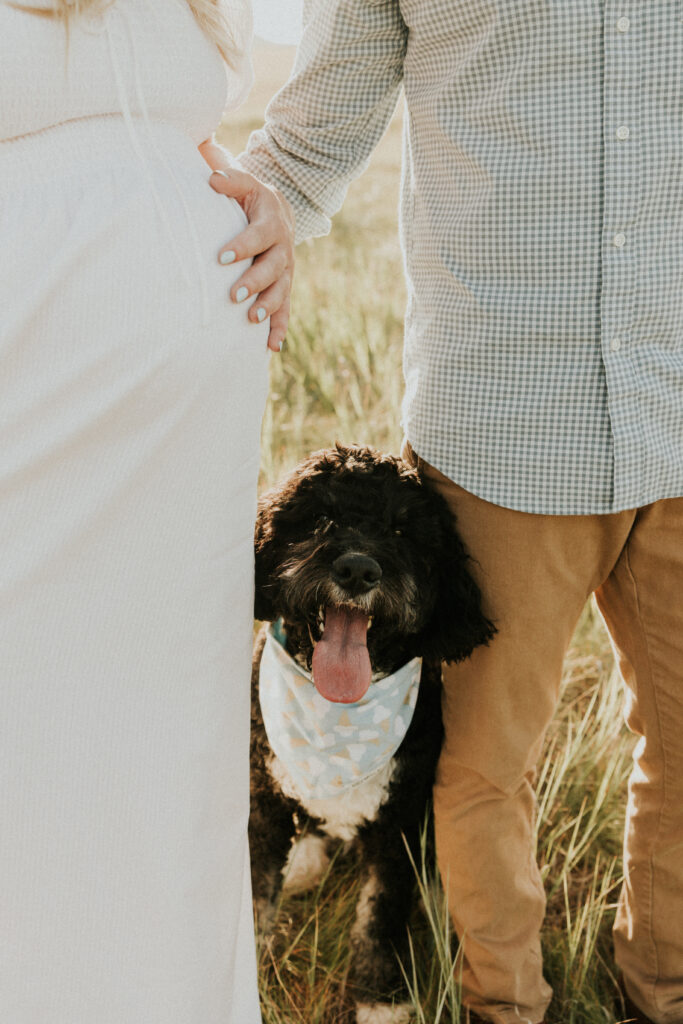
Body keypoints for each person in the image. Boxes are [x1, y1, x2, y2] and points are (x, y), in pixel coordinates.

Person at [207, 2, 683, 1023]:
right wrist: (229, 230)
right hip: (504, 426)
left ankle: (661, 991)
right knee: (480, 772)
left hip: (678, 402)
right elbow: (308, 132)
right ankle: (501, 1006)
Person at [0, 0, 293, 1020]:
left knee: (163, 752)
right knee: (23, 729)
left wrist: (260, 208)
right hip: (23, 416)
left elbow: (161, 123)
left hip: (176, 471)